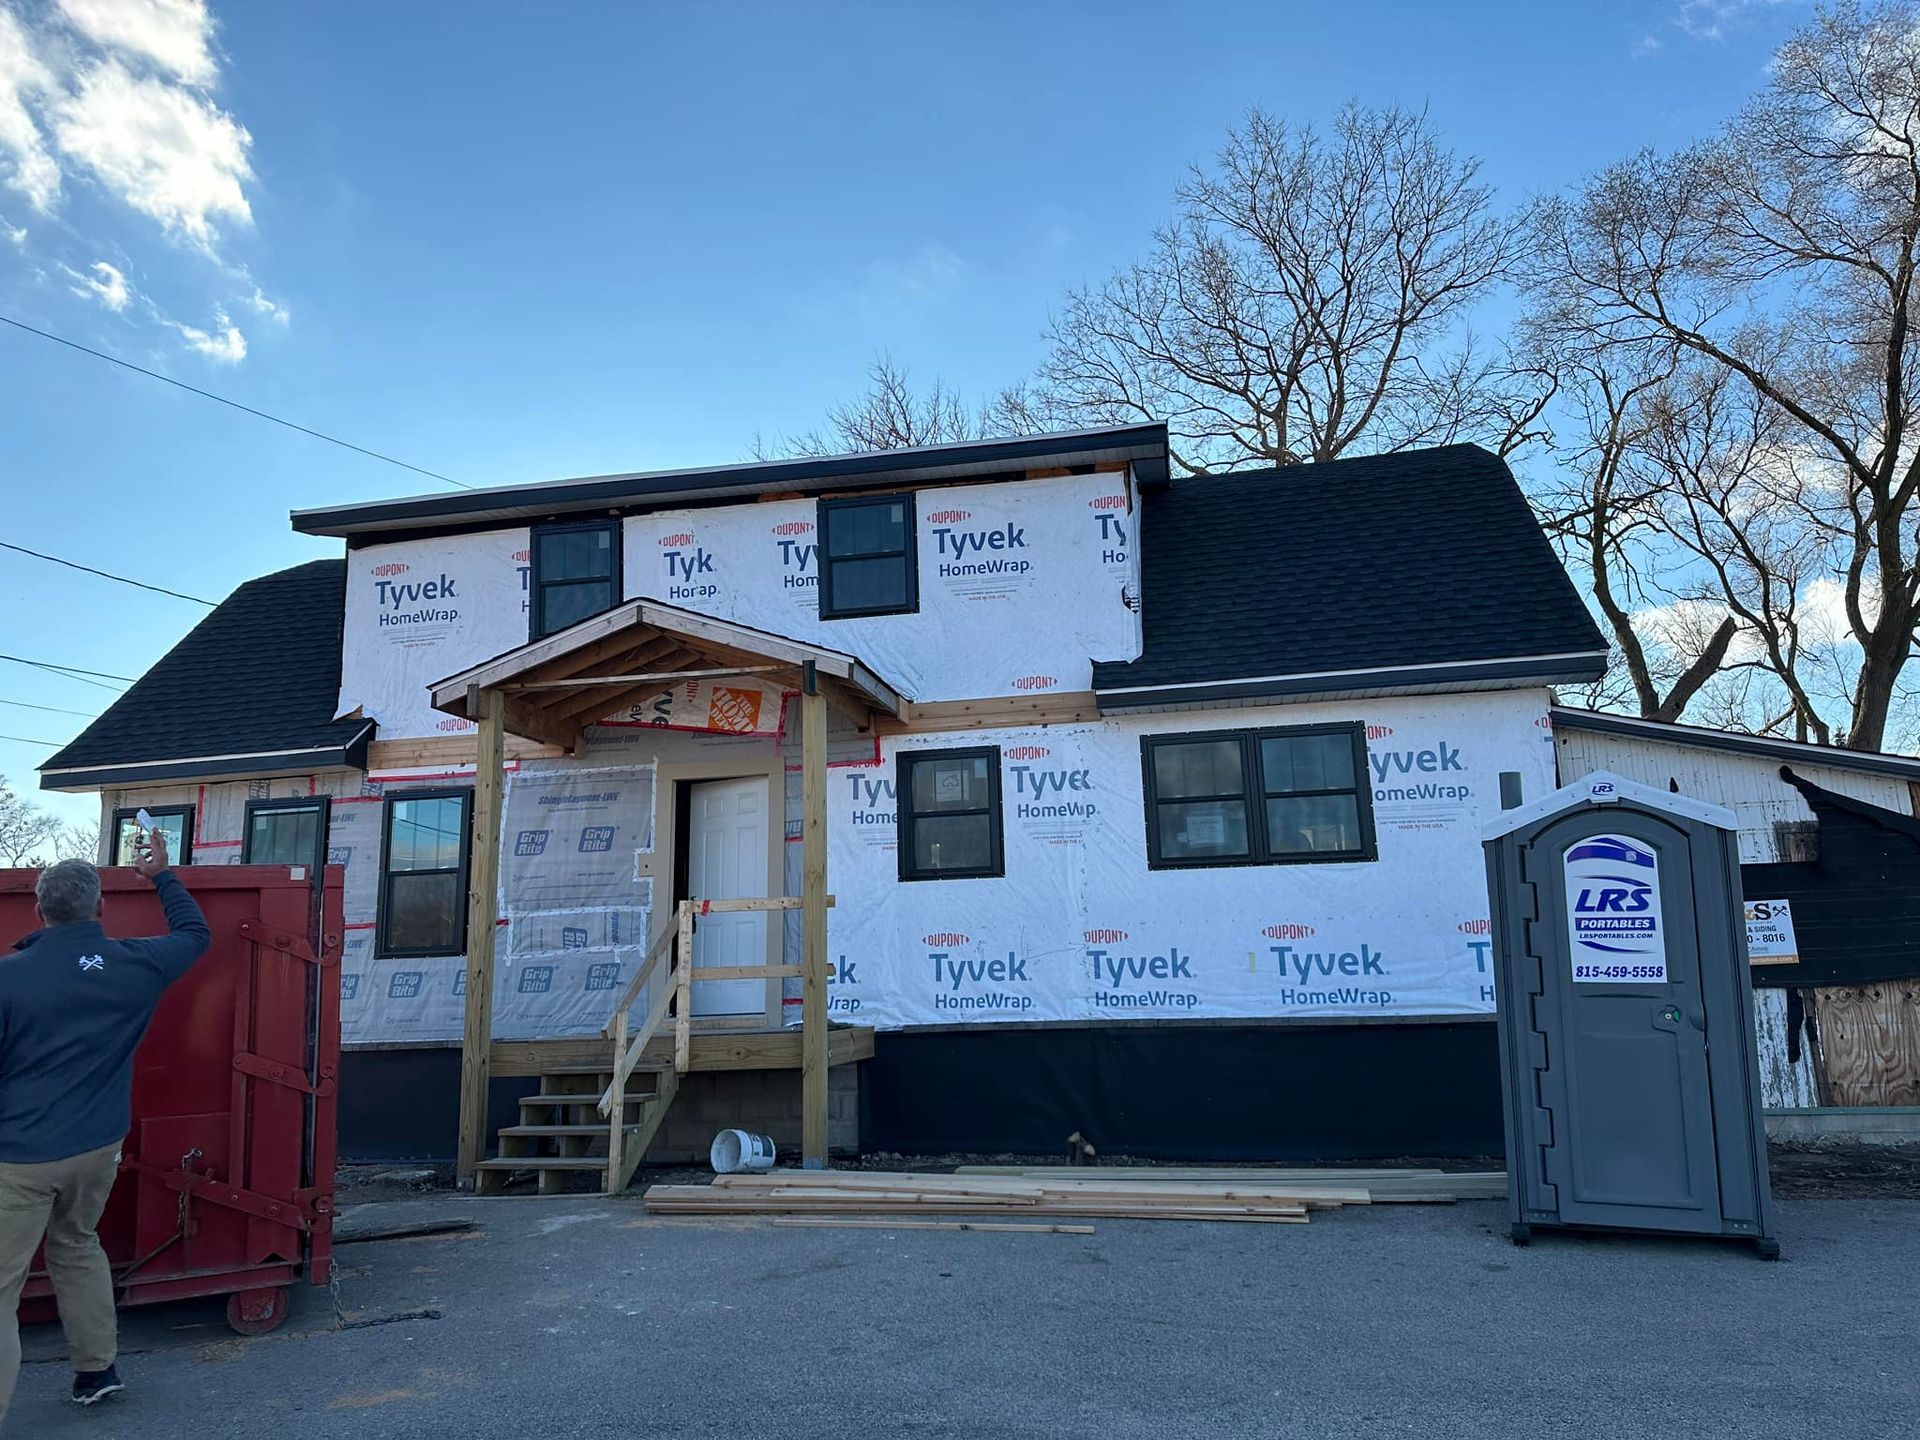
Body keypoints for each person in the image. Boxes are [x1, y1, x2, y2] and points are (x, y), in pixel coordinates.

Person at [0, 829, 209, 1418]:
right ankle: (97, 1372)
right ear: (99, 908)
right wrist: (162, 875)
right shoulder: (133, 963)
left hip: (19, 1156)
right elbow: (195, 935)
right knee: (76, 1243)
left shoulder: (9, 978)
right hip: (98, 1147)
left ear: (39, 909)